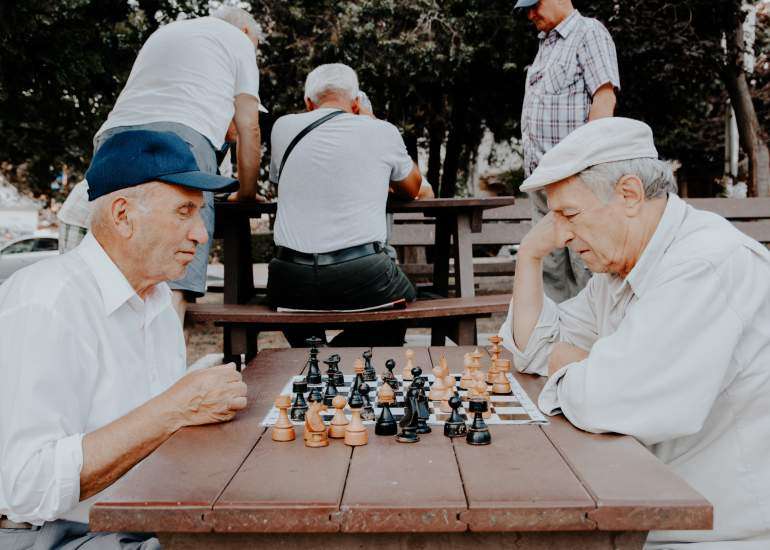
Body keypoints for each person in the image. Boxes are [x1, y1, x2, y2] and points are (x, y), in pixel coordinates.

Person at [499, 117, 770, 548]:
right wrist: (528, 257)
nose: (562, 235)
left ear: (629, 194)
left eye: (569, 214)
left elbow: (608, 399)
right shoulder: (618, 271)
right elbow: (531, 350)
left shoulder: (705, 265)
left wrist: (587, 366)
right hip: (646, 506)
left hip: (713, 531)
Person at [0, 131, 248, 549]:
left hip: (135, 520)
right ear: (122, 215)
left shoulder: (156, 301)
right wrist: (176, 408)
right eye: (184, 212)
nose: (201, 235)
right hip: (49, 536)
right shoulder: (48, 301)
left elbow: (150, 433)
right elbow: (27, 487)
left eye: (199, 214)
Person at [57, 5, 266, 323]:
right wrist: (247, 194)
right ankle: (166, 369)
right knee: (174, 274)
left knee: (110, 272)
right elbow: (249, 125)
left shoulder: (166, 32)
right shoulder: (238, 40)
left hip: (114, 137)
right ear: (248, 33)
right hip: (183, 138)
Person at [266, 63, 423, 347]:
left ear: (307, 102)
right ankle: (337, 355)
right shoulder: (380, 130)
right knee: (405, 300)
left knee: (289, 299)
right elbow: (412, 188)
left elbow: (281, 181)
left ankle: (311, 350)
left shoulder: (282, 127)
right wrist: (372, 119)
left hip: (289, 278)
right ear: (356, 102)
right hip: (362, 273)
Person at [515, 0, 620, 302]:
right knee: (549, 271)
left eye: (535, 5)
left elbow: (604, 99)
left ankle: (593, 346)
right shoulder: (545, 44)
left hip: (575, 178)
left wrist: (587, 167)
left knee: (585, 266)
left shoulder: (589, 33)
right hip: (541, 180)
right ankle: (556, 344)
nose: (531, 14)